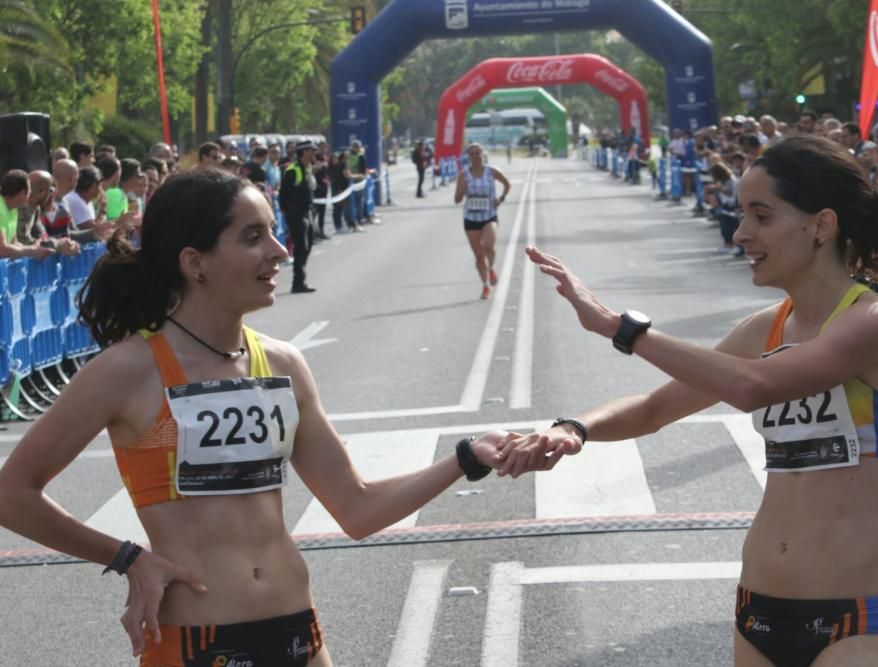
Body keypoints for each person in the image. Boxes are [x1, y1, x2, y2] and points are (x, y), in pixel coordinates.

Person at [0, 167, 515, 665]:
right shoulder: (128, 370)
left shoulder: (284, 364)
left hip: (297, 631)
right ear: (194, 262)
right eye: (253, 237)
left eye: (272, 232)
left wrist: (467, 457)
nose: (280, 250)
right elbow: (12, 494)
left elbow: (358, 509)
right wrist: (128, 559)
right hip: (196, 643)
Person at [497, 136, 878, 666]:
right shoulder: (762, 330)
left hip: (853, 619)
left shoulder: (874, 323)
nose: (742, 233)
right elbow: (655, 409)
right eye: (742, 215)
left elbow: (753, 388)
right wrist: (573, 429)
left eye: (761, 216)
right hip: (759, 611)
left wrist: (621, 328)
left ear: (821, 224)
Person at [453, 143, 511, 300]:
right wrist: (462, 190)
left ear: (483, 154)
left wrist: (501, 198)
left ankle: (491, 268)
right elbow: (457, 199)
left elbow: (507, 183)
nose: (476, 156)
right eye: (472, 153)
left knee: (489, 246)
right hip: (471, 218)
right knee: (479, 256)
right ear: (468, 157)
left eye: (478, 152)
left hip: (489, 215)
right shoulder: (463, 175)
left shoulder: (491, 171)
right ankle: (485, 285)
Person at [280, 139, 318, 293]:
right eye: (312, 151)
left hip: (307, 212)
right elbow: (284, 193)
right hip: (296, 214)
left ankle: (300, 280)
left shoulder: (308, 168)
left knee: (307, 246)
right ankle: (298, 283)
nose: (315, 153)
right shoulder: (292, 169)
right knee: (301, 247)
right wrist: (287, 212)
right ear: (304, 152)